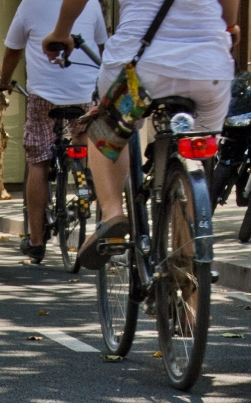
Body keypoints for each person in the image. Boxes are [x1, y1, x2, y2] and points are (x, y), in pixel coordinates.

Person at [43, 0, 237, 270]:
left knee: (105, 132)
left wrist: (61, 33)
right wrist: (229, 26)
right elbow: (229, 8)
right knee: (197, 157)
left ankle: (112, 213)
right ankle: (191, 287)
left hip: (139, 68)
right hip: (208, 70)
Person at [0, 0, 107, 264]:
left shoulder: (29, 4)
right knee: (82, 139)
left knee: (39, 159)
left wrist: (4, 81)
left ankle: (35, 241)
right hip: (84, 93)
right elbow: (101, 48)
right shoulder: (90, 3)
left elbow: (13, 51)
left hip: (44, 95)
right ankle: (84, 179)